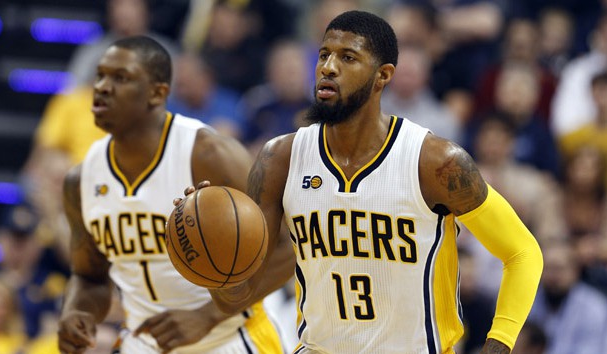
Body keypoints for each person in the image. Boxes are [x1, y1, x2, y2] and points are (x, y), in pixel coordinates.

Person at [180, 11, 543, 353]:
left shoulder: (435, 162)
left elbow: (523, 253)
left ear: (383, 76)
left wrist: (498, 343)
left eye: (347, 58)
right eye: (323, 55)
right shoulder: (280, 159)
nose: (328, 68)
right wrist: (210, 243)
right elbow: (238, 295)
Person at [57, 36, 283, 354]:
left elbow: (288, 245)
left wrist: (207, 316)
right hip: (144, 342)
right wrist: (76, 311)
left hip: (227, 338)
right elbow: (89, 276)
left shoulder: (208, 154)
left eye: (120, 78)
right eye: (100, 76)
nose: (103, 87)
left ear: (157, 93)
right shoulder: (80, 179)